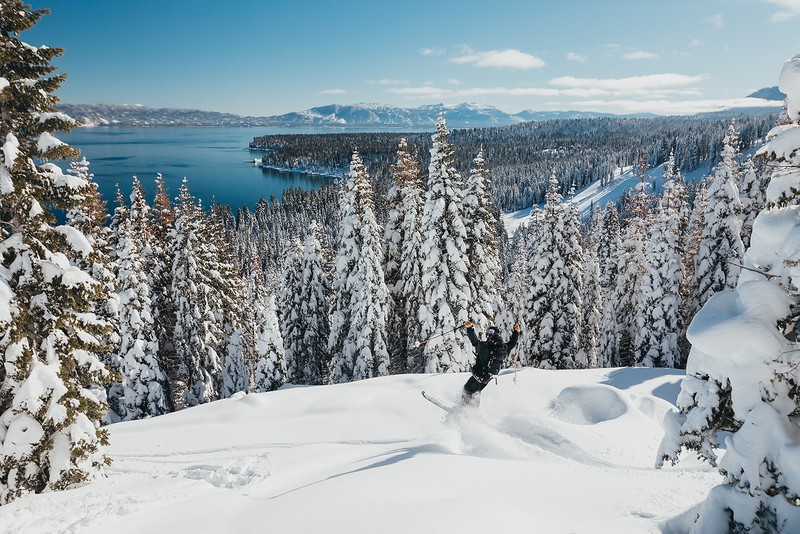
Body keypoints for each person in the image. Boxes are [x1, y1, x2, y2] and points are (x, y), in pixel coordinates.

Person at [460, 320, 521, 408]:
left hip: (480, 375)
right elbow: (512, 343)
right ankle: (472, 412)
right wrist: (516, 332)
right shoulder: (503, 347)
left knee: (467, 390)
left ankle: (463, 412)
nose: (488, 334)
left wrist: (470, 329)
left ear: (494, 334)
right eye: (487, 332)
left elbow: (475, 341)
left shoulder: (485, 345)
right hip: (489, 377)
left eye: (490, 332)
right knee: (476, 392)